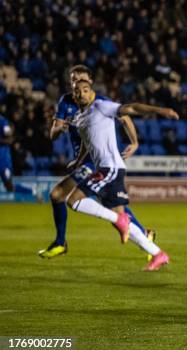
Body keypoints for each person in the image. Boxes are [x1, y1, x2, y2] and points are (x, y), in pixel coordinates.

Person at [38, 65, 155, 259]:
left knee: (59, 194)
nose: (76, 83)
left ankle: (60, 243)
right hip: (84, 160)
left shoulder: (100, 101)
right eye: (73, 80)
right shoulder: (66, 101)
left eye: (80, 79)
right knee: (113, 206)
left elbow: (124, 116)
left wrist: (134, 142)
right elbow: (53, 133)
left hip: (97, 161)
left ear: (90, 81)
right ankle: (145, 235)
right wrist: (61, 128)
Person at [65, 79, 178, 271]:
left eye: (85, 90)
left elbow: (131, 109)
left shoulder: (101, 106)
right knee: (121, 218)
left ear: (91, 91)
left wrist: (160, 111)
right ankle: (158, 254)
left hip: (111, 169)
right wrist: (78, 161)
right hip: (105, 169)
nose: (82, 94)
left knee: (73, 200)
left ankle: (121, 221)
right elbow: (87, 142)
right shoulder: (79, 117)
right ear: (73, 95)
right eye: (78, 91)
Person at [0, 113, 37, 196]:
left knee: (9, 187)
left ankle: (32, 191)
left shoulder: (2, 121)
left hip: (3, 160)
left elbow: (9, 137)